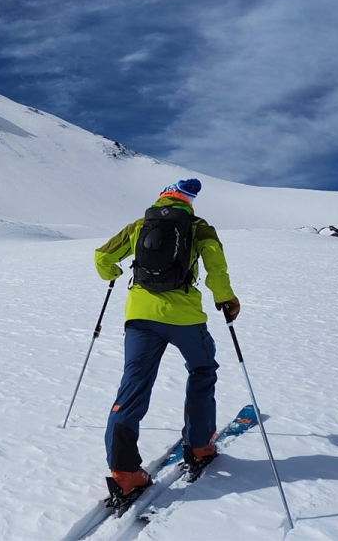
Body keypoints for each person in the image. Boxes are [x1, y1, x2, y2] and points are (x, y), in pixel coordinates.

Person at [93, 178, 240, 505]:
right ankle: (200, 445)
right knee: (202, 369)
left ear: (162, 198)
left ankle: (125, 472)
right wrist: (226, 299)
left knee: (134, 383)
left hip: (140, 318)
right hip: (184, 317)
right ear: (189, 202)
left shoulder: (139, 225)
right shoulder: (199, 227)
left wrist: (114, 276)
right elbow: (216, 267)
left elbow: (103, 258)